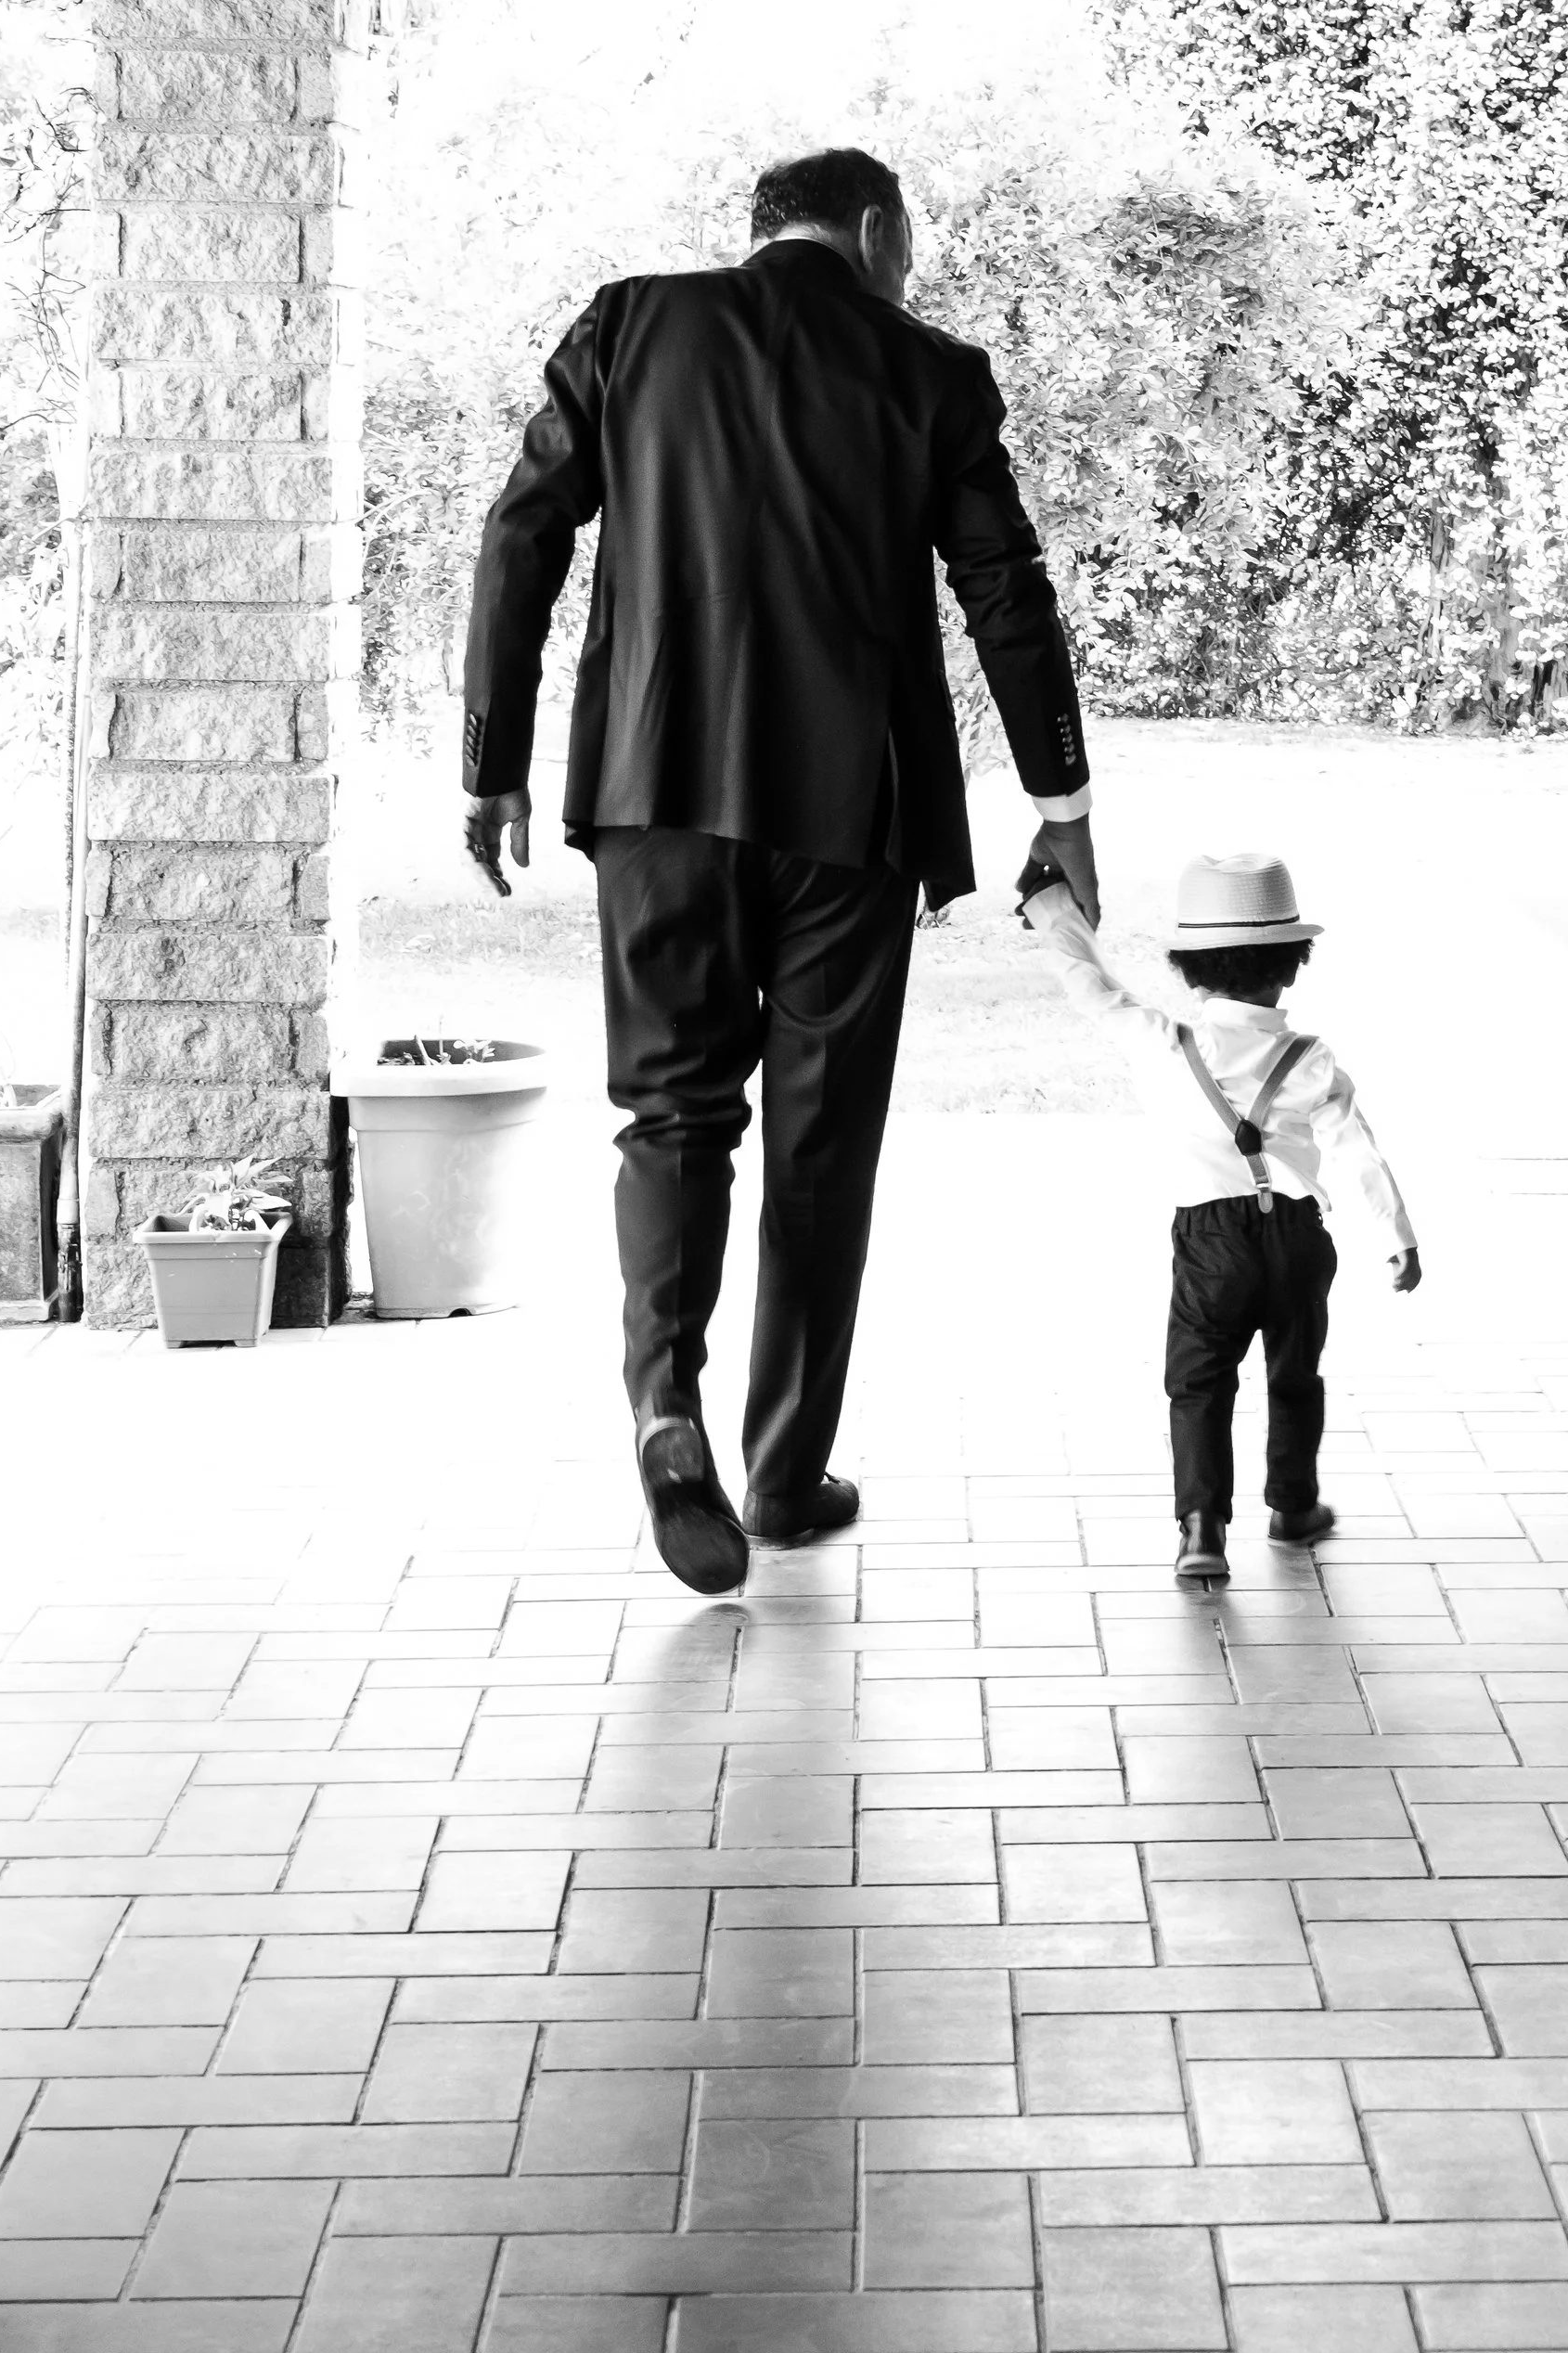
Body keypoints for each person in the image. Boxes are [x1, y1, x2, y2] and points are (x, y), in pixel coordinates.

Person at [459, 148, 1095, 1597]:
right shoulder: (930, 371)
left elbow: (523, 530)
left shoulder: (627, 327)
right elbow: (1007, 587)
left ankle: (666, 1405)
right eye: (912, 241)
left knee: (673, 1110)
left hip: (655, 792)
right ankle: (787, 1470)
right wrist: (1060, 801)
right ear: (877, 230)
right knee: (821, 1141)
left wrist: (491, 754)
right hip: (847, 815)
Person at [1020, 848, 1418, 1583]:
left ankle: (1202, 1530)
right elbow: (1359, 1151)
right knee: (1295, 1375)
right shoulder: (1312, 1057)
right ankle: (1294, 1506)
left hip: (1210, 1243)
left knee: (1199, 1383)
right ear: (1295, 962)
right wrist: (1397, 1238)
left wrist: (1052, 909)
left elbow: (1092, 988)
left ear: (1185, 968)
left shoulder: (1165, 1044)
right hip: (1299, 1239)